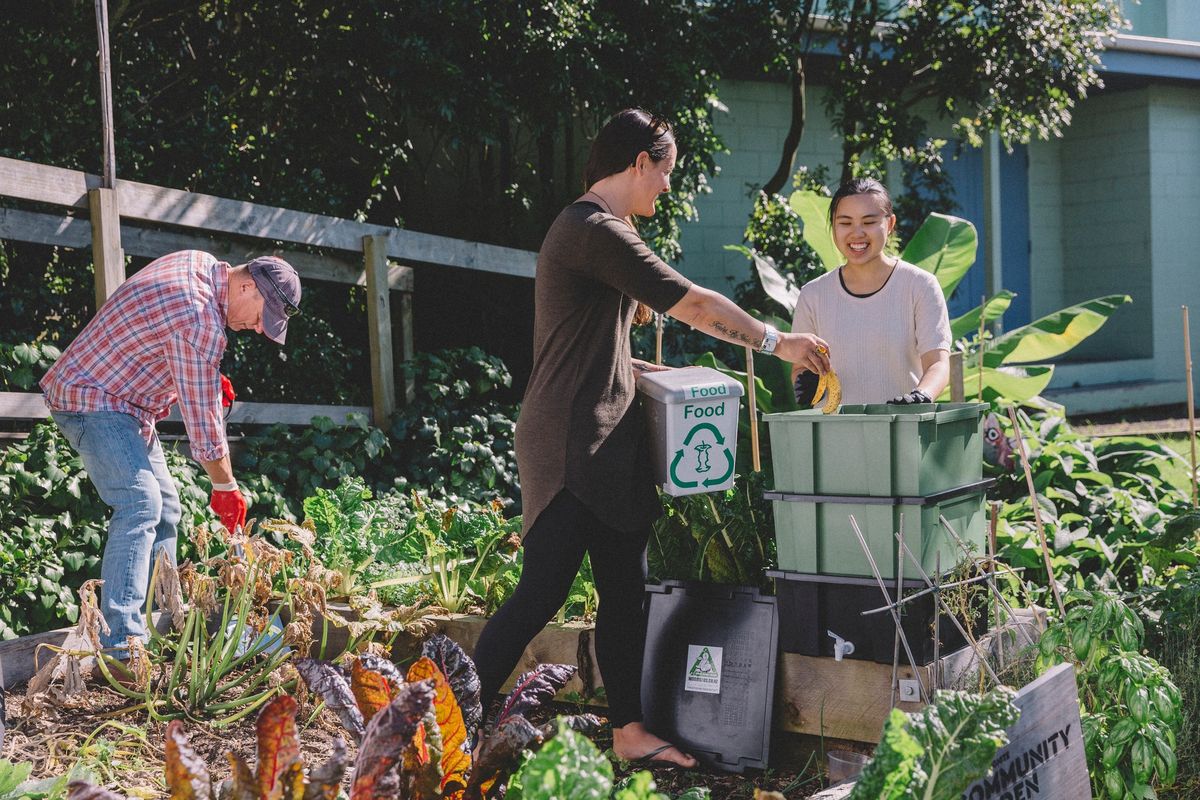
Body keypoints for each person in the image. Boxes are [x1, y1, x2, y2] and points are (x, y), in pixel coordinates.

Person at [471, 109, 830, 768]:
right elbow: (690, 303)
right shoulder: (589, 229)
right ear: (638, 162)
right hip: (570, 439)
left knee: (626, 589)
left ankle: (630, 730)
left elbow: (600, 348)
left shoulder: (603, 231)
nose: (666, 188)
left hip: (613, 437)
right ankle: (444, 717)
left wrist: (664, 376)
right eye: (664, 173)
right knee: (541, 592)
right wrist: (778, 342)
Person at [40, 250, 301, 663]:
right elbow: (204, 426)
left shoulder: (198, 262)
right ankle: (123, 649)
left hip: (123, 401)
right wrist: (225, 485)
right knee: (139, 502)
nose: (255, 328)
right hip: (93, 398)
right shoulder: (199, 319)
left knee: (167, 510)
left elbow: (159, 338)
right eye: (259, 317)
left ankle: (163, 621)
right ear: (248, 285)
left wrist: (207, 376)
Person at [790, 177, 950, 406]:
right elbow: (799, 368)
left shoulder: (920, 286)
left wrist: (922, 396)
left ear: (890, 224)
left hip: (903, 430)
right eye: (845, 223)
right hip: (832, 435)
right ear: (833, 226)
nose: (857, 233)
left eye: (868, 222)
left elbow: (938, 363)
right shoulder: (812, 295)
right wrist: (804, 384)